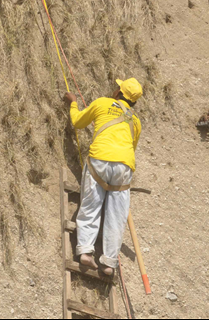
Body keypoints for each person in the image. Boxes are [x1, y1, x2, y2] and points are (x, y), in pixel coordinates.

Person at [63, 78, 142, 277]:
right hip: (124, 165)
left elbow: (77, 122)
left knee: (91, 206)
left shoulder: (102, 102)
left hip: (100, 159)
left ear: (117, 92)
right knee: (116, 216)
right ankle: (108, 263)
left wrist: (73, 102)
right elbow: (132, 147)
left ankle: (86, 252)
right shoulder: (135, 121)